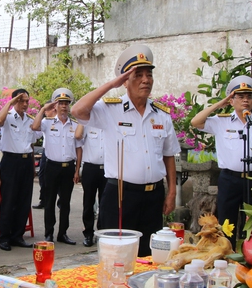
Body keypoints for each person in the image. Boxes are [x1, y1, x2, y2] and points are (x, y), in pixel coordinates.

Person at [71, 44, 180, 257]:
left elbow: (169, 155)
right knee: (117, 255)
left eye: (149, 75)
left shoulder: (161, 115)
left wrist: (172, 191)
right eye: (138, 75)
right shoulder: (110, 109)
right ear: (125, 81)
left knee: (149, 255)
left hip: (153, 195)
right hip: (120, 195)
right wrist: (112, 84)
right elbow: (78, 110)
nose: (146, 80)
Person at [190, 75, 252, 240]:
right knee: (227, 223)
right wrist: (219, 104)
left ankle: (251, 257)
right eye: (240, 97)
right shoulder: (221, 121)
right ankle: (227, 257)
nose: (245, 100)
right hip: (229, 179)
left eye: (248, 96)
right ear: (231, 100)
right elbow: (195, 122)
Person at [31, 88, 82, 245]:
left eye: (66, 104)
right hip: (52, 167)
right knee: (50, 201)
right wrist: (43, 109)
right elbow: (34, 127)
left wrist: (77, 170)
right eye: (61, 103)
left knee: (65, 202)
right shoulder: (47, 123)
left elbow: (79, 148)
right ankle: (48, 233)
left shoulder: (74, 125)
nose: (64, 107)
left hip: (68, 168)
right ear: (56, 106)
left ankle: (63, 233)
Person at [0, 89, 41, 251]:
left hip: (26, 162)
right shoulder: (7, 117)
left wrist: (31, 165)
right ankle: (4, 237)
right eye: (22, 101)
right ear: (15, 101)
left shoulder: (29, 120)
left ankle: (17, 235)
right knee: (9, 200)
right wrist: (10, 103)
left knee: (23, 200)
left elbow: (33, 142)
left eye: (27, 101)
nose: (25, 104)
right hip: (10, 161)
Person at [75, 124, 106, 247]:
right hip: (90, 168)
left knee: (104, 203)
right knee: (88, 202)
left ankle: (101, 233)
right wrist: (83, 120)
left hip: (107, 169)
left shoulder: (110, 124)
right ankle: (88, 233)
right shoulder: (88, 125)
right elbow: (77, 136)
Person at [33, 101, 57, 210]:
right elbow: (36, 131)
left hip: (57, 153)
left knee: (58, 178)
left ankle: (60, 200)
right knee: (42, 176)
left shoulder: (60, 120)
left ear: (53, 109)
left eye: (47, 110)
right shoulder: (45, 121)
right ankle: (44, 199)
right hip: (46, 152)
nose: (45, 112)